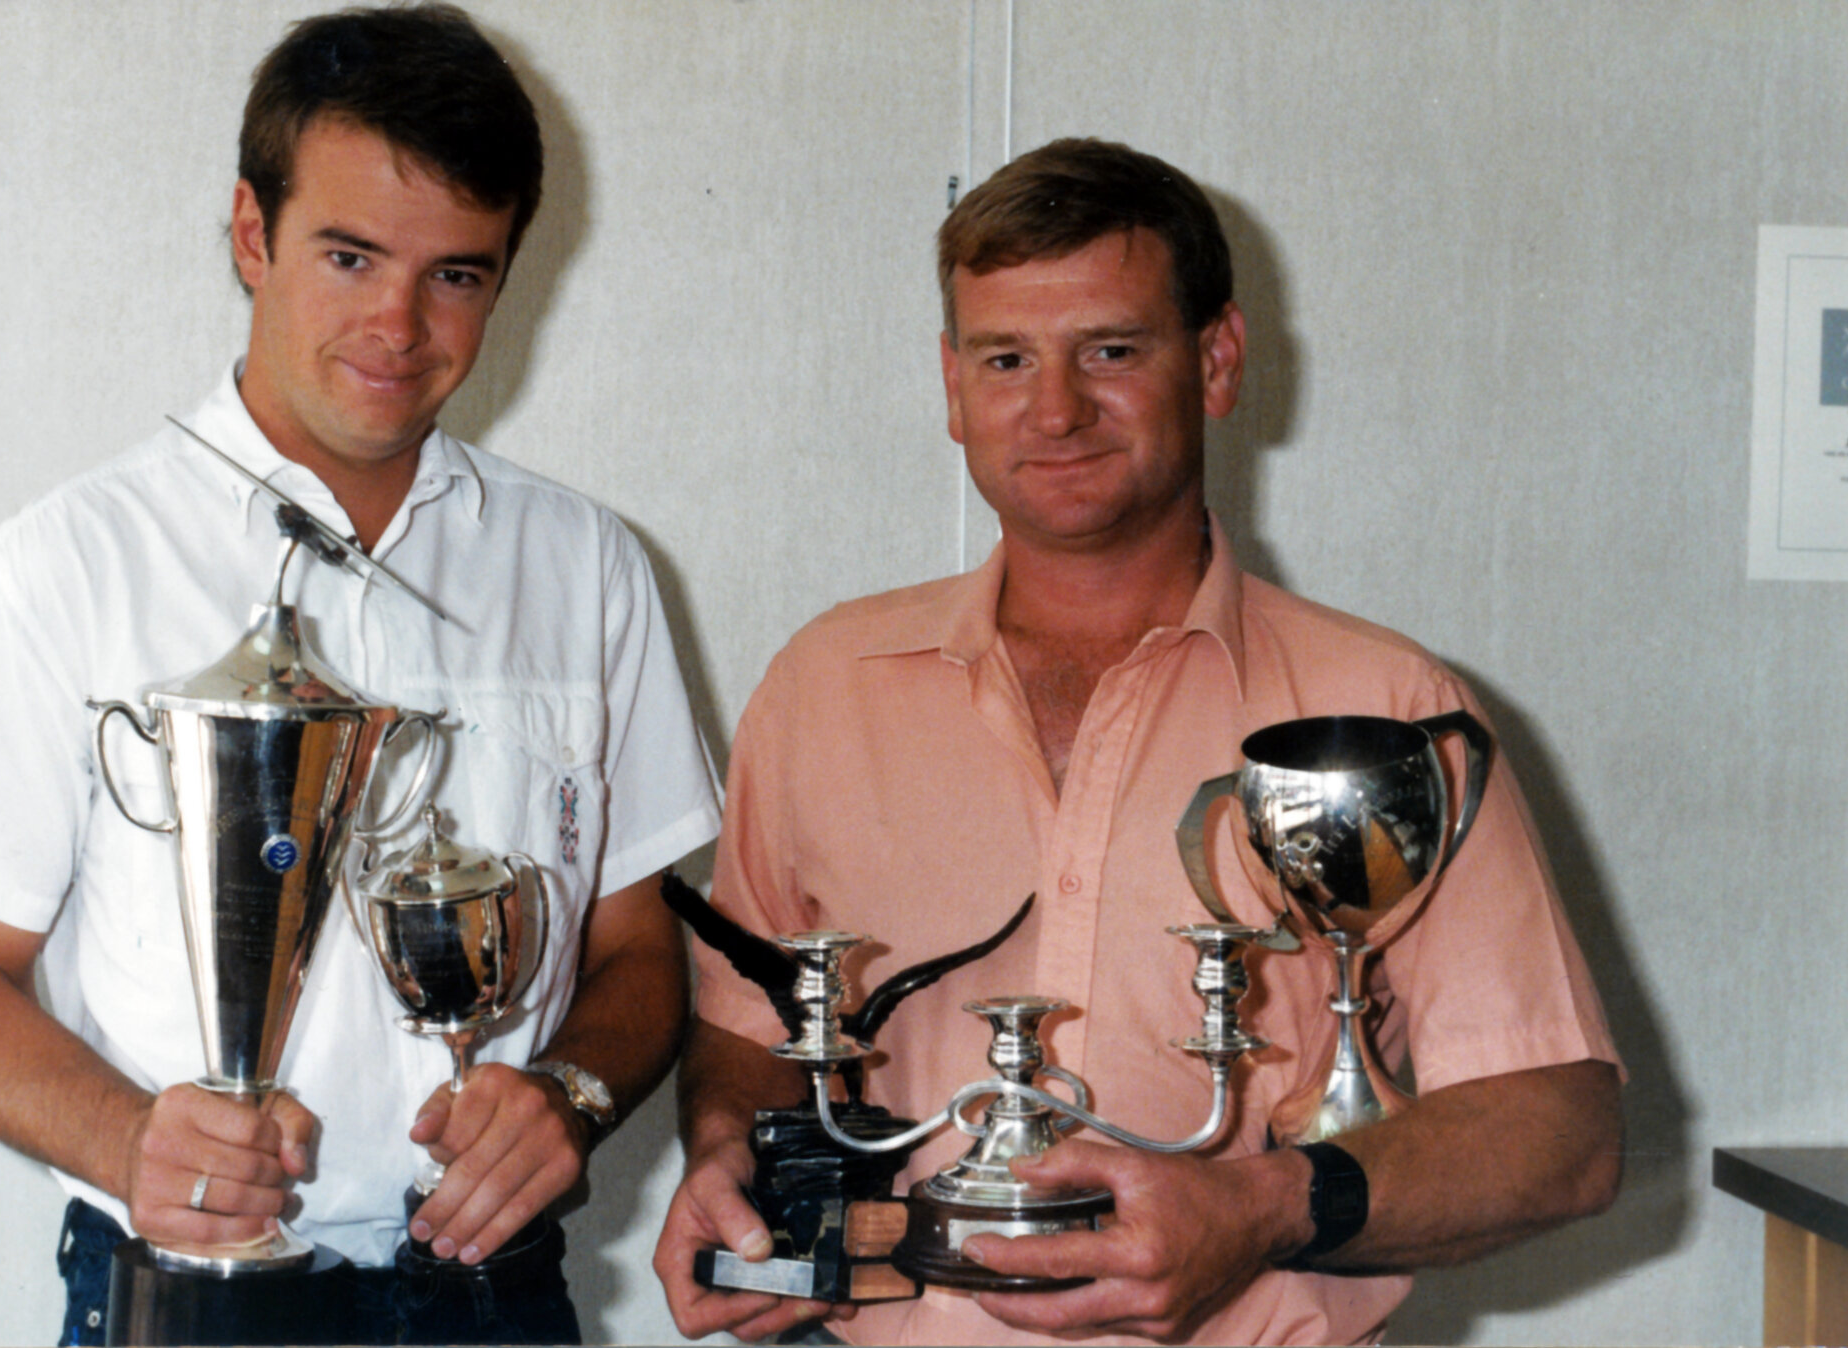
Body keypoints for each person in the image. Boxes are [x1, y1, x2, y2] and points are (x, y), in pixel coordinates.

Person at [652, 137, 1622, 1346]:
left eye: (1110, 351)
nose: (1054, 409)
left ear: (1216, 361)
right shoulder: (824, 684)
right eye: (1007, 358)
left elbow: (1561, 1130)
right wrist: (720, 1159)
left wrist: (1265, 1207)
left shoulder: (1381, 702)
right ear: (952, 385)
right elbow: (750, 1035)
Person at [0, 6, 718, 1344]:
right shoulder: (60, 568)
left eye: (456, 272)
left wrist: (566, 1094)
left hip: (494, 1297)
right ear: (250, 234)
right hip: (183, 1291)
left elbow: (636, 951)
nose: (397, 324)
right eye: (349, 255)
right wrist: (129, 1141)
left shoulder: (590, 567)